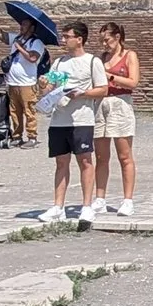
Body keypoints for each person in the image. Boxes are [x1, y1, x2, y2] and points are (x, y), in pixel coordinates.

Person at [37, 20, 110, 224]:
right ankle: (57, 206)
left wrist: (83, 93)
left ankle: (87, 206)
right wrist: (44, 84)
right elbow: (48, 89)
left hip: (82, 119)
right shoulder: (59, 63)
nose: (63, 40)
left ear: (79, 39)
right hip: (59, 120)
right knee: (61, 162)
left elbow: (103, 89)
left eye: (67, 36)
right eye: (63, 36)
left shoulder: (92, 62)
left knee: (85, 161)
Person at [0, 6, 48, 148]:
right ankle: (17, 136)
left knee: (29, 111)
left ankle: (32, 137)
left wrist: (20, 48)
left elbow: (33, 58)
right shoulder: (17, 38)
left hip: (28, 83)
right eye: (22, 24)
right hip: (13, 82)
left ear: (32, 28)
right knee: (15, 111)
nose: (22, 26)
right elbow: (1, 35)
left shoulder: (36, 43)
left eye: (25, 24)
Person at [97, 22, 141, 216]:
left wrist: (111, 77)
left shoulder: (129, 56)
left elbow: (133, 82)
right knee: (101, 156)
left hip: (121, 103)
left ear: (117, 37)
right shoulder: (101, 58)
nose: (104, 44)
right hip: (101, 104)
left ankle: (127, 200)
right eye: (102, 41)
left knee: (124, 155)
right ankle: (100, 198)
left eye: (107, 40)